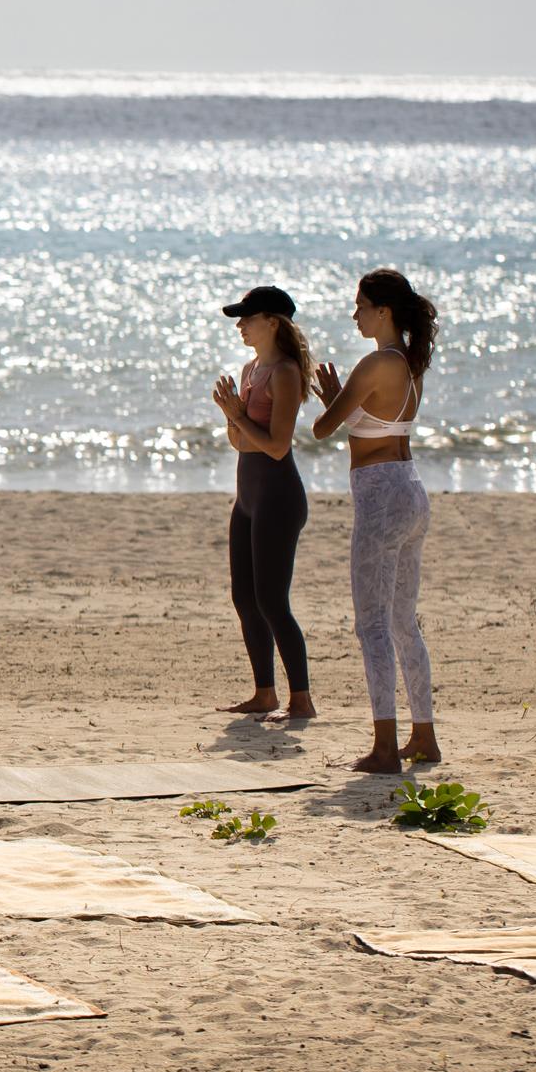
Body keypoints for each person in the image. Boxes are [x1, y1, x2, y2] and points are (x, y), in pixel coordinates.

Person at [311, 268, 441, 773]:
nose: (355, 314)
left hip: (380, 495)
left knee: (373, 625)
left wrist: (335, 399)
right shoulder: (410, 363)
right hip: (410, 489)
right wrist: (341, 399)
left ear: (383, 311)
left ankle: (385, 747)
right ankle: (423, 735)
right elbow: (372, 427)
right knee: (403, 621)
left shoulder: (374, 363)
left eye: (361, 305)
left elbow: (324, 429)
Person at [210, 284, 314, 722]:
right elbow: (240, 442)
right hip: (248, 496)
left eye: (247, 319)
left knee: (273, 601)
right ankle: (264, 692)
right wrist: (232, 417)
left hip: (278, 496)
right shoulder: (251, 369)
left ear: (272, 322)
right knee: (244, 597)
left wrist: (237, 416)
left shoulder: (285, 372)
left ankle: (302, 699)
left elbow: (276, 446)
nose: (240, 326)